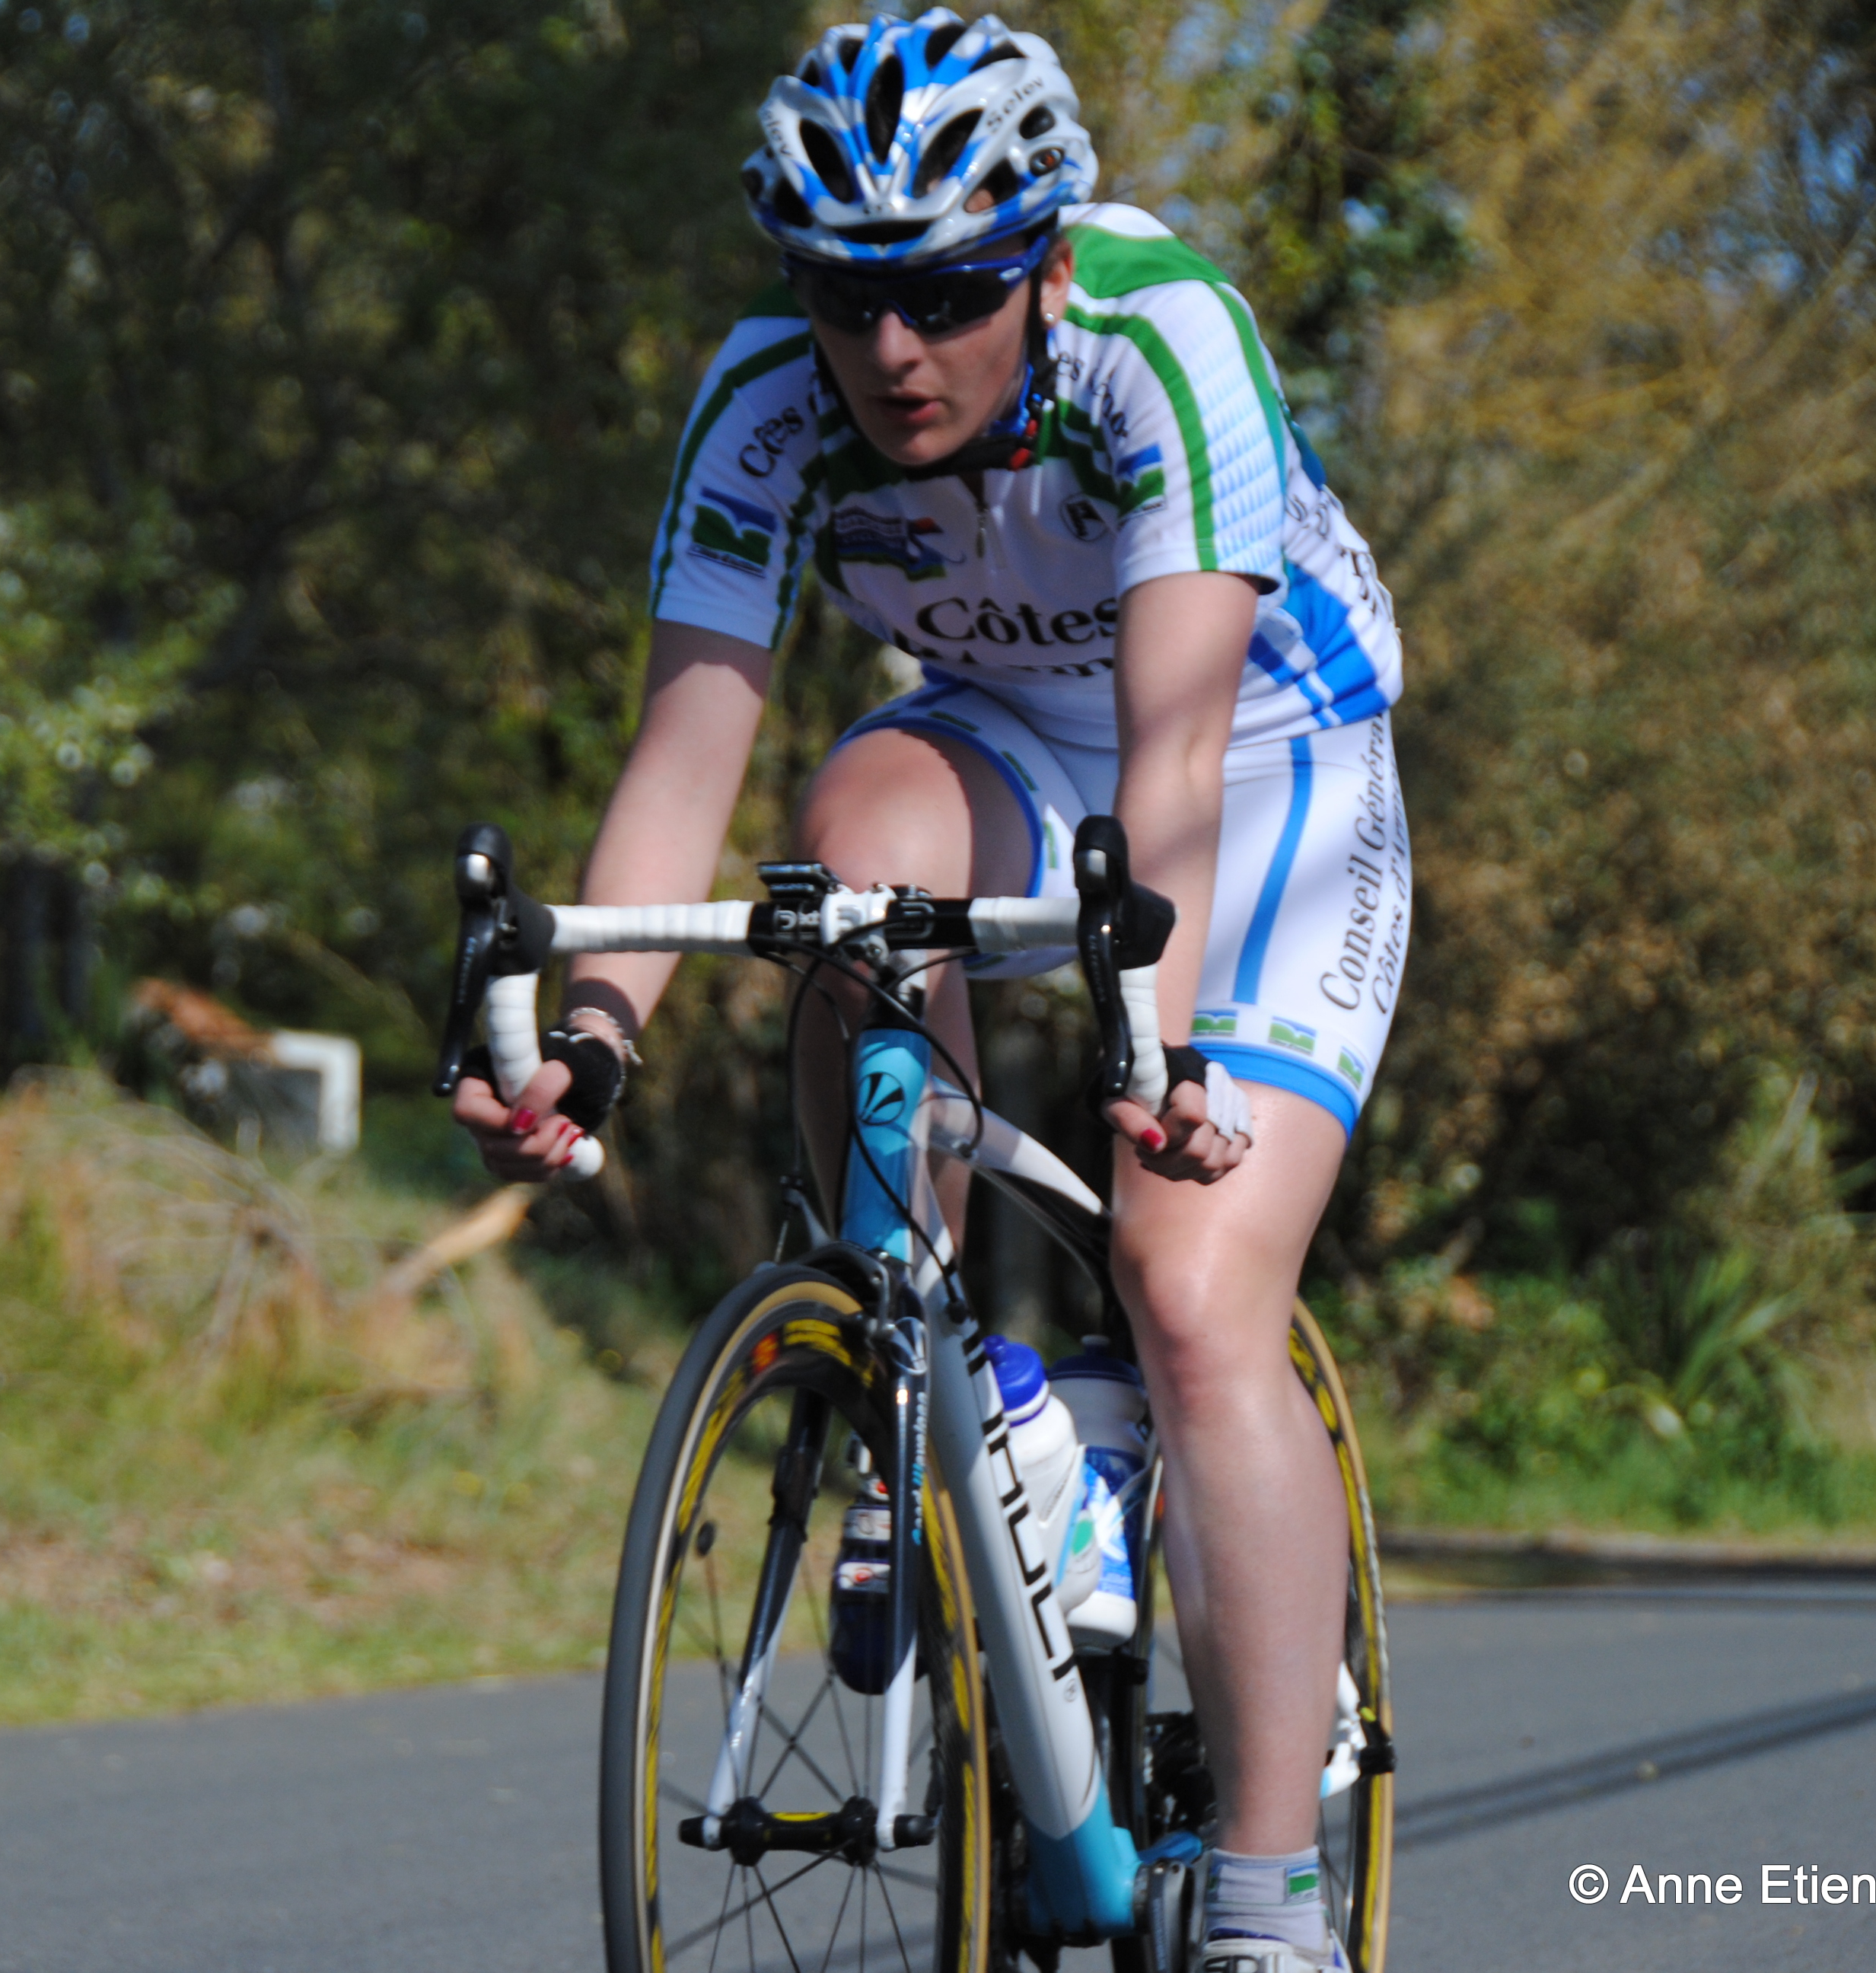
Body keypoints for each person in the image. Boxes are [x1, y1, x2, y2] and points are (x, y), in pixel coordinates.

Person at [456, 13, 1410, 1969]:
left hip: (1263, 767)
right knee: (842, 861)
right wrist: (594, 1036)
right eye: (845, 296)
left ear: (1042, 267)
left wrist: (1152, 1057)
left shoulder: (1163, 344)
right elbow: (681, 761)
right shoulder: (764, 405)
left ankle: (1267, 1894)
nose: (892, 348)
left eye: (949, 294)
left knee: (1188, 1288)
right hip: (1006, 736)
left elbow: (1172, 767)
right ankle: (937, 1372)